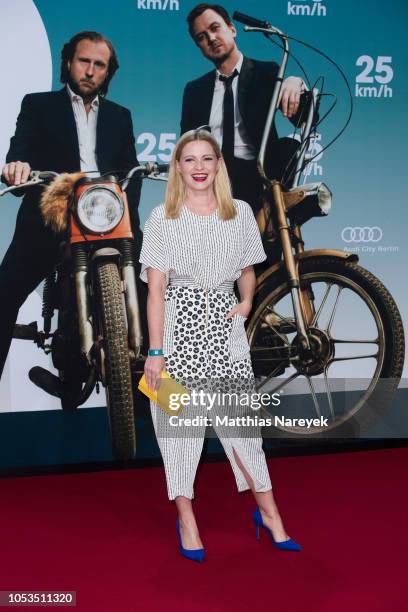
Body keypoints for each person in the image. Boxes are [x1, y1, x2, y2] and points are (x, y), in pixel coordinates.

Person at [139, 128, 301, 562]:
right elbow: (155, 292)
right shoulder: (162, 218)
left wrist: (247, 300)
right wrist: (155, 354)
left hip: (225, 336)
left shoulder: (239, 212)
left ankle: (270, 518)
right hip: (177, 336)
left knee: (243, 433)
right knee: (178, 436)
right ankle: (187, 522)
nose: (198, 168)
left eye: (206, 159)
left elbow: (248, 269)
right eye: (189, 160)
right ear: (177, 167)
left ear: (218, 165)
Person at [0, 31, 143, 383]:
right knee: (4, 294)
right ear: (68, 62)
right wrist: (16, 166)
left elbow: (130, 169)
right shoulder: (38, 105)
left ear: (108, 72)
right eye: (85, 61)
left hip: (107, 217)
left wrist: (127, 216)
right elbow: (21, 148)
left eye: (100, 65)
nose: (91, 71)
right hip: (52, 215)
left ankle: (159, 402)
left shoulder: (120, 115)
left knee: (148, 291)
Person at [180, 3, 310, 217]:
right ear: (199, 47)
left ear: (232, 29)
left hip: (259, 179)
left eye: (215, 28)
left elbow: (305, 120)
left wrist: (296, 84)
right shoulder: (194, 90)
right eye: (202, 37)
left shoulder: (267, 72)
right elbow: (185, 146)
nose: (211, 38)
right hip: (215, 183)